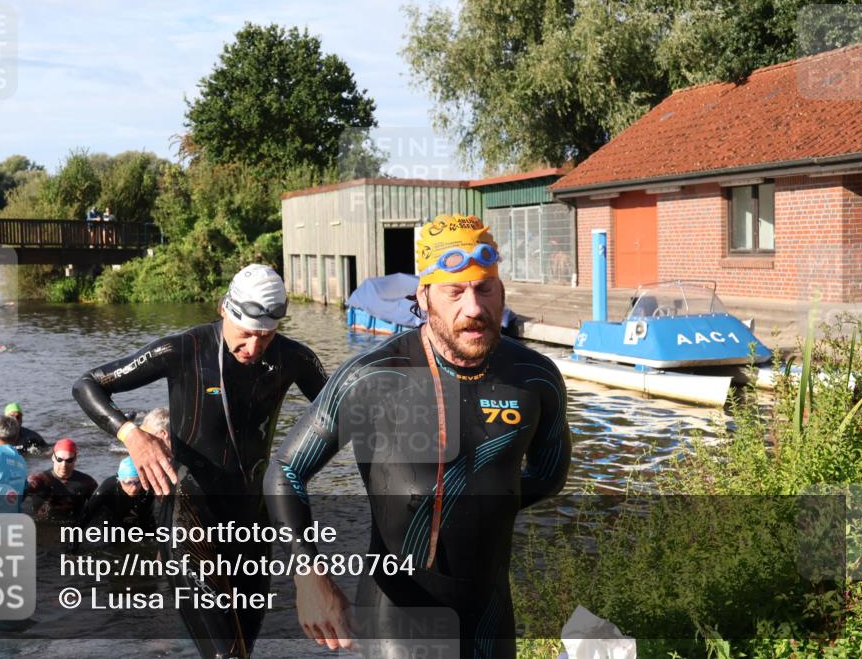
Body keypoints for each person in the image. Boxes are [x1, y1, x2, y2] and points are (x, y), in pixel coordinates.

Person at [265, 214, 572, 658]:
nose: (474, 308)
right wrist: (308, 573)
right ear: (424, 297)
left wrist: (480, 501)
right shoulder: (372, 378)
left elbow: (549, 474)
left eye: (485, 288)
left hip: (489, 616)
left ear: (502, 290)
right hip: (398, 613)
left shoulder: (535, 377)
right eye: (455, 291)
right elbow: (286, 470)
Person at [72, 263, 328, 658]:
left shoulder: (294, 358)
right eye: (245, 334)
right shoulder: (183, 350)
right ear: (225, 309)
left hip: (251, 521)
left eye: (265, 336)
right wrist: (132, 435)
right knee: (226, 654)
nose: (254, 348)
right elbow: (87, 384)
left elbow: (343, 415)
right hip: (189, 516)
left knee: (243, 648)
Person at [25, 439, 97, 522]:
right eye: (59, 459)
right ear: (53, 457)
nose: (64, 465)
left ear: (75, 458)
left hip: (73, 527)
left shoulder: (87, 482)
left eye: (69, 460)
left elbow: (100, 508)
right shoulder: (39, 480)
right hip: (43, 526)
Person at [79, 456, 156, 533]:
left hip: (140, 519)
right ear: (119, 479)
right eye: (128, 483)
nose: (134, 488)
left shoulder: (148, 486)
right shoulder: (107, 488)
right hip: (113, 521)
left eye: (137, 482)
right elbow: (86, 515)